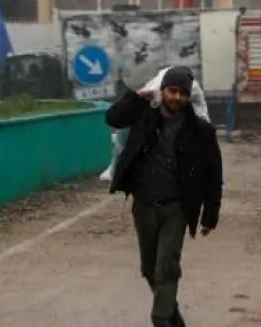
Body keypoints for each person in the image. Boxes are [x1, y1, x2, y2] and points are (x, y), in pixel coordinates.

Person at [105, 66, 224, 327]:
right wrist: (136, 97)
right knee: (149, 269)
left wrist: (210, 213)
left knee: (166, 268)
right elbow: (112, 118)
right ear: (163, 91)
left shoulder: (200, 130)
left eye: (183, 93)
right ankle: (172, 314)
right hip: (144, 206)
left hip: (176, 208)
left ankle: (161, 319)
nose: (177, 98)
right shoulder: (145, 116)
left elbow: (213, 173)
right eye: (172, 91)